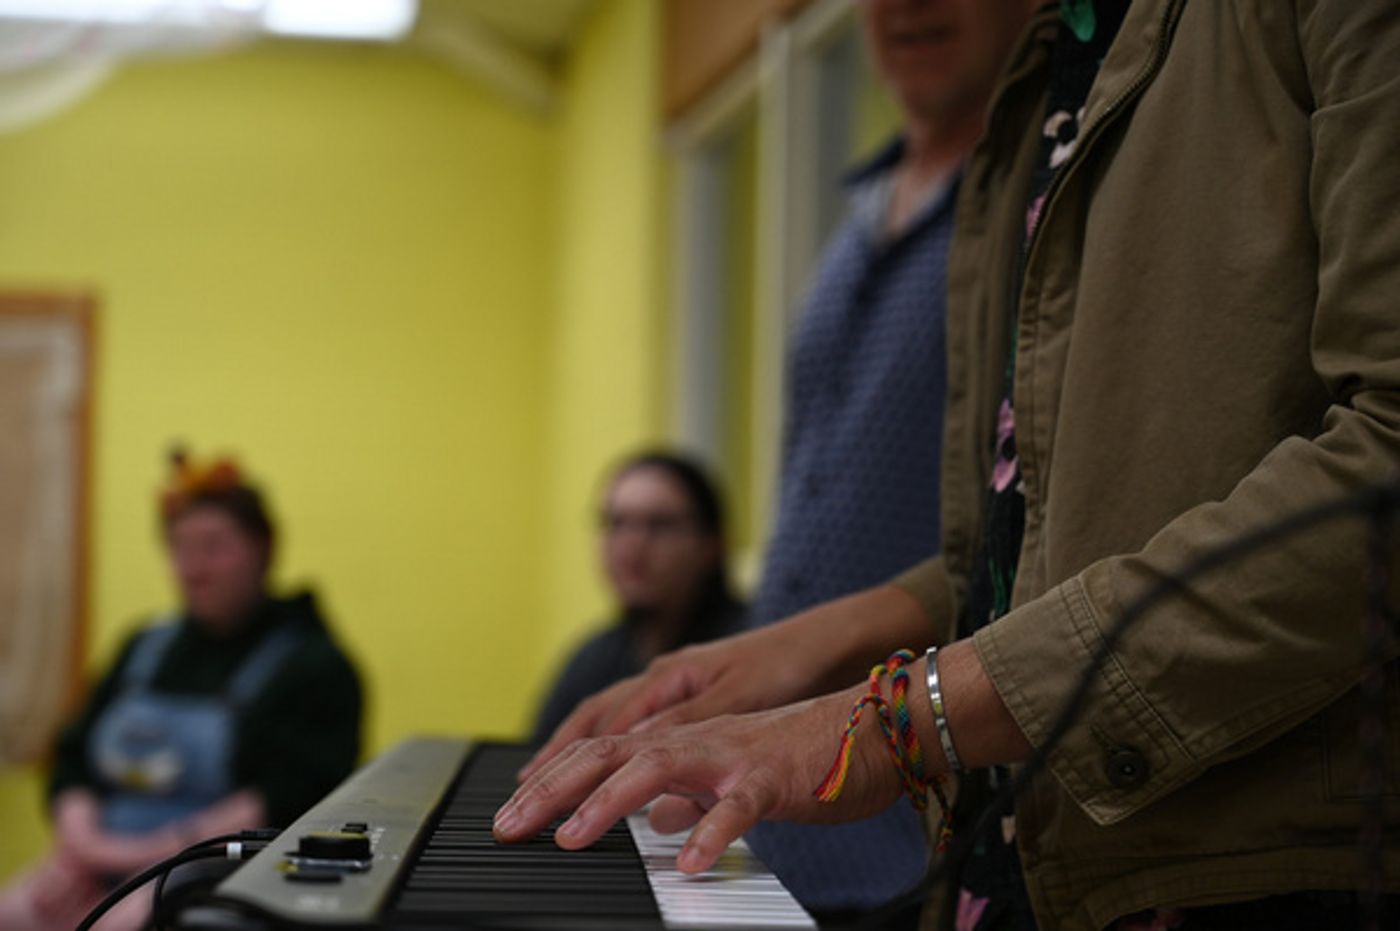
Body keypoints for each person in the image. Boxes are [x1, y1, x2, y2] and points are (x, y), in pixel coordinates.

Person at [501, 2, 1400, 930]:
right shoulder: (1044, 87)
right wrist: (795, 646)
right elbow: (1020, 536)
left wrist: (899, 718)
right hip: (1009, 839)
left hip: (1235, 862)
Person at [734, 0, 1036, 916]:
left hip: (925, 811)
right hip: (774, 800)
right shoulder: (855, 212)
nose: (910, 7)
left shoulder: (1041, 205)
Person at [0, 451, 362, 931]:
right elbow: (73, 761)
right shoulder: (144, 645)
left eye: (214, 547)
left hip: (215, 864)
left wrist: (134, 857)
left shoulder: (314, 666)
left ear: (265, 549)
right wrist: (80, 852)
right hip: (95, 853)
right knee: (15, 913)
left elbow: (287, 798)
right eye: (180, 549)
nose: (194, 569)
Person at [531, 451, 745, 744]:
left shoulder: (749, 651)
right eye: (616, 523)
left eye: (660, 524)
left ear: (712, 543)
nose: (632, 545)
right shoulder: (593, 660)